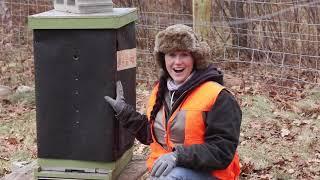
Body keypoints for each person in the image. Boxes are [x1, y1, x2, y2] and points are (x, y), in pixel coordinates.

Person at [104, 24, 242, 180]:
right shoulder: (160, 90)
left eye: (184, 54)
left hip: (211, 173)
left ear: (195, 58)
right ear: (163, 59)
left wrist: (177, 156)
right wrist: (124, 112)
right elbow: (154, 136)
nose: (177, 62)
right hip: (173, 169)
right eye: (171, 54)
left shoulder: (218, 96)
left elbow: (222, 151)